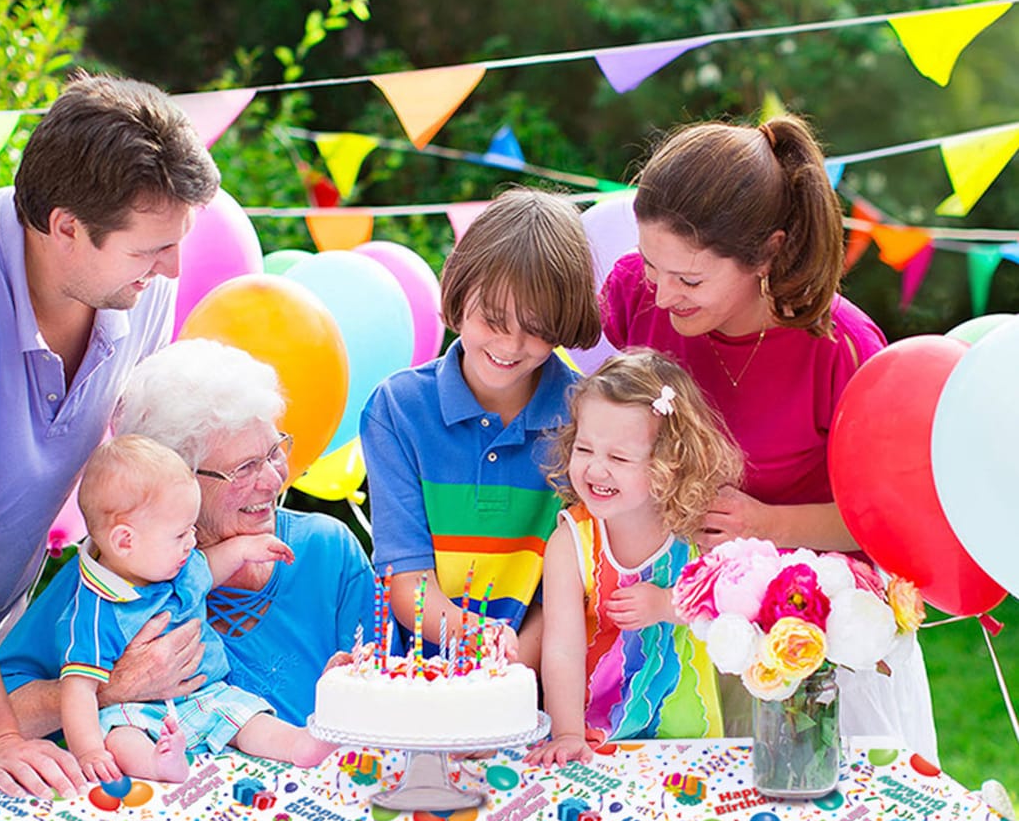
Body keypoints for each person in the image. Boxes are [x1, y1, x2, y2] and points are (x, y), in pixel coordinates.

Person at [0, 73, 220, 821]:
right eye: (153, 248)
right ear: (65, 226)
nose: (171, 269)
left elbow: (141, 476)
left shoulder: (135, 286)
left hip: (5, 627)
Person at [599, 116, 936, 759]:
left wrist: (769, 524)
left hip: (812, 644)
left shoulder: (842, 350)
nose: (663, 295)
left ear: (767, 253)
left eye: (690, 281)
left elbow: (898, 530)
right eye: (651, 266)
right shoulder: (636, 296)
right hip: (668, 633)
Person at [0, 338, 377, 738]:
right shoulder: (111, 575)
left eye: (274, 451)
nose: (272, 479)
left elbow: (393, 700)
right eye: (245, 468)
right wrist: (108, 689)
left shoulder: (325, 550)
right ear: (176, 477)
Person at [360, 187, 601, 669]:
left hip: (545, 682)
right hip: (416, 682)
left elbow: (573, 583)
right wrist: (478, 644)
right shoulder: (398, 410)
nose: (510, 345)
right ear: (459, 294)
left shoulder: (587, 416)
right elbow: (405, 579)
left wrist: (512, 672)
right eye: (492, 319)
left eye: (536, 328)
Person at [58, 435, 332, 781]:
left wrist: (248, 548)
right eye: (180, 534)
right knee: (119, 738)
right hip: (134, 711)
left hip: (206, 694)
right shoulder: (97, 610)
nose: (192, 541)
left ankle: (298, 744)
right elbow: (78, 688)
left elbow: (211, 567)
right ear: (125, 541)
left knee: (247, 717)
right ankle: (159, 765)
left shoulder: (178, 567)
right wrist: (90, 751)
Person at [526, 350, 741, 768]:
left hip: (687, 735)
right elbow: (562, 648)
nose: (595, 470)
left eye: (619, 458)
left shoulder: (696, 530)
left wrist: (666, 605)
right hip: (594, 735)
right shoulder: (572, 541)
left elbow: (730, 610)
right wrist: (567, 733)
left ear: (670, 464)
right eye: (585, 449)